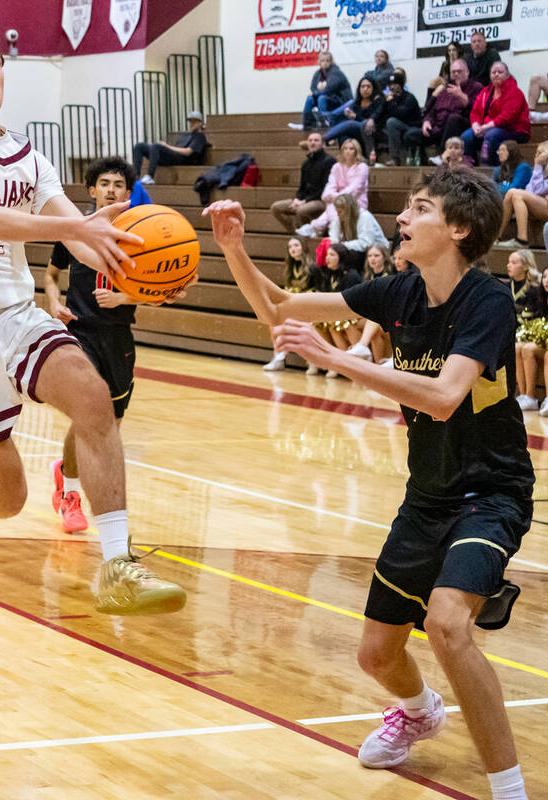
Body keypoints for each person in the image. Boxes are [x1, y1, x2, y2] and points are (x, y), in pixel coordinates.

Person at [205, 166, 534, 800]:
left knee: (446, 625)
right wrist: (235, 250)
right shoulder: (399, 292)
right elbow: (277, 307)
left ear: (458, 229)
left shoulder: (488, 301)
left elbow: (442, 397)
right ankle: (418, 712)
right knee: (376, 656)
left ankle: (510, 789)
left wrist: (335, 360)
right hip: (426, 495)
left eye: (418, 210)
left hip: (489, 494)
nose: (402, 219)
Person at [0, 16, 188, 615]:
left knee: (92, 395)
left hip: (12, 311)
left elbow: (84, 242)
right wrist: (74, 227)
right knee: (6, 496)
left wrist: (141, 272)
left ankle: (117, 564)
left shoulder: (27, 156)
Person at [43, 157, 139, 532]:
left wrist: (126, 300)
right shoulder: (75, 229)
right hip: (80, 333)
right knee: (88, 413)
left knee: (111, 423)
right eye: (105, 183)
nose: (111, 189)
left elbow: (154, 290)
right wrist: (53, 302)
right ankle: (69, 494)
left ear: (127, 194)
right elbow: (51, 275)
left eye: (118, 184)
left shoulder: (138, 235)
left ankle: (62, 470)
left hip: (119, 336)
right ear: (92, 190)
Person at [462, 63, 530, 167]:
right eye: (493, 72)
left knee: (491, 135)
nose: (496, 74)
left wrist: (485, 127)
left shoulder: (515, 92)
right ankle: (470, 169)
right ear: (490, 75)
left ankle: (487, 168)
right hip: (489, 129)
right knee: (466, 136)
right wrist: (475, 125)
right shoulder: (485, 92)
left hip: (514, 130)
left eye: (500, 72)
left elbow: (508, 117)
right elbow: (475, 111)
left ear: (507, 75)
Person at [299, 138, 368, 238]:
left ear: (356, 151)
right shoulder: (337, 166)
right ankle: (332, 231)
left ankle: (318, 227)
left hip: (356, 202)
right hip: (337, 202)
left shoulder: (362, 167)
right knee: (334, 205)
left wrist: (334, 197)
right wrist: (331, 196)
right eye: (345, 148)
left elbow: (354, 190)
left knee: (334, 205)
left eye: (351, 149)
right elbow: (329, 187)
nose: (348, 151)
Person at [270, 131, 336, 232]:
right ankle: (295, 233)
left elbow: (324, 190)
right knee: (275, 207)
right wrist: (297, 199)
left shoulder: (329, 162)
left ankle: (306, 234)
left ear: (323, 144)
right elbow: (302, 187)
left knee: (301, 210)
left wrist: (304, 202)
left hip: (321, 200)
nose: (312, 143)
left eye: (316, 140)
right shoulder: (306, 164)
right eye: (310, 140)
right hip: (305, 200)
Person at [264, 237, 313, 371]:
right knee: (273, 321)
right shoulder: (290, 267)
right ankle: (279, 356)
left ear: (303, 247)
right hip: (294, 306)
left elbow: (318, 291)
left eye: (296, 245)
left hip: (310, 307)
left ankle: (312, 361)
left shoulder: (313, 267)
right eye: (290, 247)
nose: (293, 249)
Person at [421, 59, 483, 156]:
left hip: (462, 124)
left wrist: (460, 95)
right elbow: (431, 111)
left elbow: (478, 108)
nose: (456, 74)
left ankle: (443, 156)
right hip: (440, 127)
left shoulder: (476, 87)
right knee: (411, 135)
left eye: (459, 71)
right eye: (453, 72)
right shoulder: (445, 89)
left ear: (467, 72)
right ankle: (421, 163)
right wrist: (427, 121)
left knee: (453, 118)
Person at [131, 110, 207, 185]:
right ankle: (135, 177)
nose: (192, 124)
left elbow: (188, 152)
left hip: (182, 159)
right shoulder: (186, 135)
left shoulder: (200, 137)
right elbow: (175, 147)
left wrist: (167, 146)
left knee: (156, 146)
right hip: (173, 157)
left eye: (195, 121)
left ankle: (150, 176)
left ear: (200, 123)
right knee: (139, 146)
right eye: (191, 121)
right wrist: (166, 147)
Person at [508, 250, 543, 410]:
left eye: (514, 263)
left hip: (528, 333)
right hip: (513, 333)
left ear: (526, 266)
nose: (509, 266)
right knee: (515, 348)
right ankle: (523, 395)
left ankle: (530, 396)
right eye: (509, 262)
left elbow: (534, 317)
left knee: (521, 346)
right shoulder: (507, 287)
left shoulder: (534, 289)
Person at [496, 142, 548, 248]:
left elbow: (537, 190)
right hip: (542, 203)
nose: (536, 156)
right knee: (513, 194)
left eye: (540, 153)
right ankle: (497, 237)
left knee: (516, 194)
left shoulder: (538, 168)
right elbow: (530, 189)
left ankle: (522, 240)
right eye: (536, 153)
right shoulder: (541, 170)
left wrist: (537, 166)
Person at [324, 77, 384, 162]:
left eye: (368, 86)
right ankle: (347, 160)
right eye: (362, 86)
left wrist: (355, 117)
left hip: (371, 133)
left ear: (373, 88)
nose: (365, 89)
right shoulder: (356, 103)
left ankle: (324, 138)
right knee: (343, 135)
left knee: (350, 124)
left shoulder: (378, 101)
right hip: (357, 133)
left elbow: (371, 122)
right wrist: (349, 115)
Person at [290, 51, 351, 130]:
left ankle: (324, 121)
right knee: (310, 99)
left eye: (327, 60)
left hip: (339, 101)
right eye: (322, 60)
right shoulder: (318, 73)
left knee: (321, 98)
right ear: (319, 62)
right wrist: (317, 93)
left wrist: (317, 92)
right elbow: (313, 87)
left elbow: (329, 89)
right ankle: (307, 124)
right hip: (326, 98)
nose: (325, 63)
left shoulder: (336, 72)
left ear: (331, 62)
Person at [328, 193, 389, 272]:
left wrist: (344, 245)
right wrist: (334, 242)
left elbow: (365, 243)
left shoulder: (365, 217)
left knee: (352, 255)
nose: (338, 214)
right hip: (357, 251)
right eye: (337, 211)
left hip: (375, 251)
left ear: (348, 211)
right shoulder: (339, 217)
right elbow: (333, 237)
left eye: (340, 212)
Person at [381, 71, 426, 165]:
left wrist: (391, 101)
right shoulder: (390, 98)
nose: (392, 87)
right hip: (399, 128)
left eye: (395, 84)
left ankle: (395, 158)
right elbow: (381, 113)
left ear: (401, 85)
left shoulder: (409, 98)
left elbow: (400, 113)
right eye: (390, 84)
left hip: (412, 127)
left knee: (391, 122)